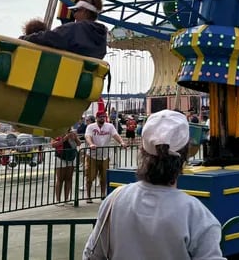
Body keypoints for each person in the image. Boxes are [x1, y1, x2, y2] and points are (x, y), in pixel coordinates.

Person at [82, 110, 224, 259]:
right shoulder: (197, 216)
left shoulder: (114, 201)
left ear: (142, 151)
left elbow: (92, 255)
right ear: (185, 154)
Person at [20, 0, 107, 59]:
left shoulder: (76, 29)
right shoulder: (102, 36)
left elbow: (51, 37)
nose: (74, 15)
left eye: (75, 10)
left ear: (84, 11)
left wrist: (23, 39)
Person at [85, 111, 127, 203]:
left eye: (104, 117)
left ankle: (103, 194)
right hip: (92, 155)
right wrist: (91, 144)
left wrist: (122, 142)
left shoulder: (109, 126)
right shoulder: (91, 127)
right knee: (90, 176)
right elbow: (88, 136)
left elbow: (115, 135)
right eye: (100, 117)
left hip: (105, 155)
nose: (102, 118)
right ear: (97, 118)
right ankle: (88, 196)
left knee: (104, 176)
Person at [50, 128, 80, 205]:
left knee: (69, 178)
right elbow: (53, 144)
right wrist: (64, 139)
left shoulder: (73, 133)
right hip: (60, 157)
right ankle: (58, 200)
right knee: (60, 179)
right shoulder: (57, 132)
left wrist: (75, 138)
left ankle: (67, 199)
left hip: (71, 157)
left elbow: (79, 143)